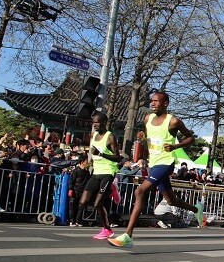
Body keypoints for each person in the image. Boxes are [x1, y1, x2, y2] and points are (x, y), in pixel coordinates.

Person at [108, 92, 203, 248]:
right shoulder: (147, 119)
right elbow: (150, 141)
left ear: (165, 103)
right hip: (153, 163)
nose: (152, 104)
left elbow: (190, 137)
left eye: (156, 101)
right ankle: (196, 209)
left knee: (140, 192)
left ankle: (127, 236)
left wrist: (175, 146)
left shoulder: (173, 121)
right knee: (171, 200)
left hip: (166, 163)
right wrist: (144, 152)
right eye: (151, 101)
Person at [76, 112, 123, 240]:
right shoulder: (94, 135)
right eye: (93, 122)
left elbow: (118, 158)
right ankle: (108, 193)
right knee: (83, 201)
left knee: (98, 203)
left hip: (108, 172)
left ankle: (107, 229)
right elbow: (92, 153)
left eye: (97, 122)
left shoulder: (110, 137)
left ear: (104, 123)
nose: (95, 125)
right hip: (96, 172)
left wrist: (101, 154)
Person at [67, 153, 90, 227]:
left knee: (81, 206)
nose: (87, 162)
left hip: (83, 191)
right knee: (72, 206)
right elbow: (71, 181)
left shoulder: (87, 172)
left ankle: (78, 221)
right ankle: (71, 221)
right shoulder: (76, 170)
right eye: (86, 161)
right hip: (75, 189)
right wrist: (70, 189)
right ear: (82, 161)